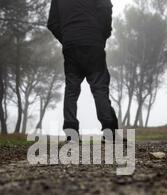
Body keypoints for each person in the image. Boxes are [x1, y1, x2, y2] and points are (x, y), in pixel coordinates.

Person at [47, 0, 119, 142]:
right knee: (99, 87)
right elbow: (106, 7)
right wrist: (103, 34)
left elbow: (52, 23)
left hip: (71, 46)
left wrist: (67, 38)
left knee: (71, 89)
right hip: (94, 43)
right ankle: (109, 131)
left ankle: (71, 133)